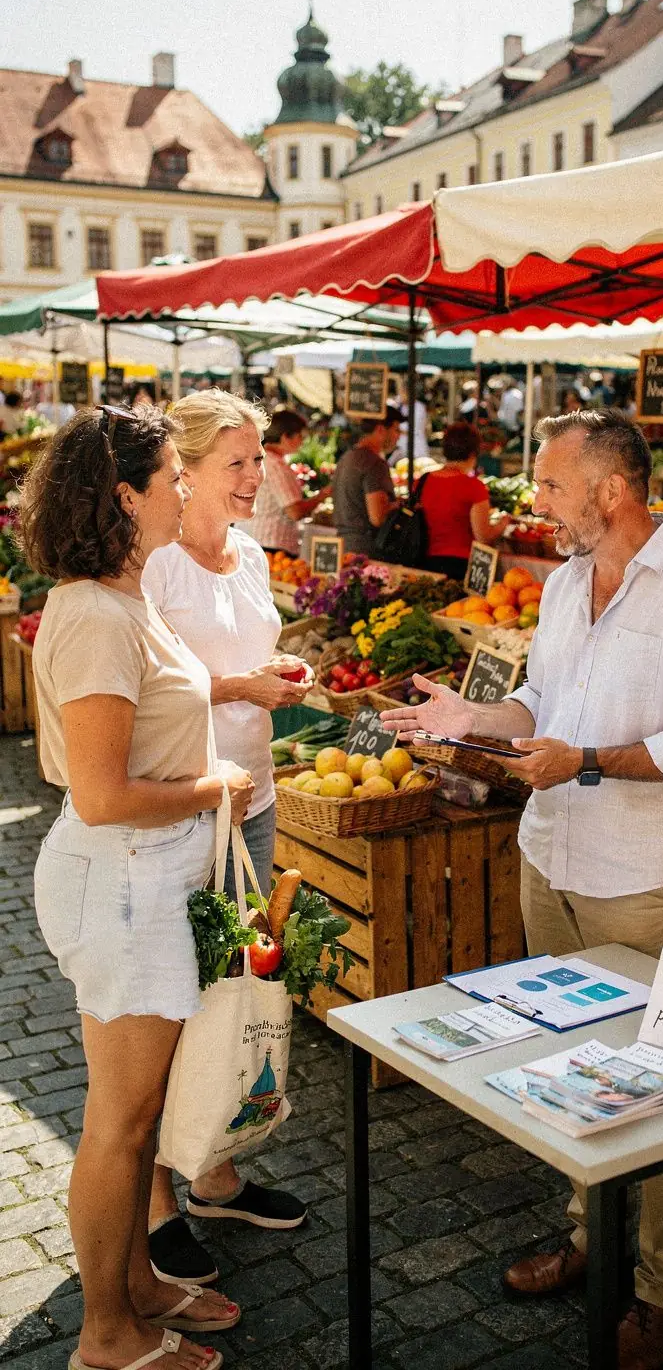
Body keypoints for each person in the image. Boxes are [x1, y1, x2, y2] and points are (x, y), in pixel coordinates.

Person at [381, 408, 663, 1370]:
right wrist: (473, 717)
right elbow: (540, 703)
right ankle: (592, 1234)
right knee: (575, 1060)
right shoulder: (563, 585)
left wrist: (581, 761)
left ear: (611, 490)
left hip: (642, 875)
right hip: (552, 858)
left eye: (550, 485)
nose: (535, 501)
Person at [20, 406, 255, 1370]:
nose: (187, 486)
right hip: (121, 878)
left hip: (145, 877)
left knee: (138, 1113)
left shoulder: (126, 597)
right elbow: (103, 793)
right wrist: (217, 785)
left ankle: (139, 1286)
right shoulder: (93, 613)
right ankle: (107, 1332)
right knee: (118, 1124)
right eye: (173, 475)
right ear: (125, 496)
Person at [141, 389, 312, 1285]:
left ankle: (212, 1172)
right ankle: (154, 1202)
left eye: (259, 459)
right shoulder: (155, 563)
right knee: (168, 1002)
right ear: (189, 468)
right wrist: (243, 687)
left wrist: (273, 672)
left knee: (231, 992)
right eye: (237, 463)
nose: (256, 476)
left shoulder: (249, 554)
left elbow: (241, 657)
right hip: (182, 804)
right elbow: (143, 690)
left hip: (255, 800)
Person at [418, 423, 511, 579]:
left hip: (422, 563)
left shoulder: (422, 481)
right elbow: (483, 536)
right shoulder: (473, 487)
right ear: (473, 453)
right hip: (461, 567)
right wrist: (503, 523)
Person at [242, 407, 331, 555]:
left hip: (250, 538)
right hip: (271, 545)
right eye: (300, 436)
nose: (302, 441)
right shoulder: (275, 466)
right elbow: (294, 511)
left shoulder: (256, 459)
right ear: (285, 437)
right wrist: (323, 495)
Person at [332, 405, 402, 555]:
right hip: (367, 551)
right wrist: (399, 505)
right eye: (396, 430)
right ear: (380, 430)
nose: (399, 436)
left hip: (344, 546)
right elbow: (377, 517)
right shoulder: (374, 463)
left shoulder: (347, 457)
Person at [391, 390, 430, 464]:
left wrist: (394, 428)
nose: (400, 396)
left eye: (402, 394)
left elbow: (412, 428)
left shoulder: (419, 407)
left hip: (417, 449)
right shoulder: (402, 406)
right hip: (402, 449)